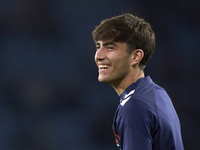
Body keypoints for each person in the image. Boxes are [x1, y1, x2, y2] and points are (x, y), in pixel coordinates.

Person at [92, 13, 184, 150]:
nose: (98, 56)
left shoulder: (134, 107)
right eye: (98, 46)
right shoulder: (156, 93)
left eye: (110, 48)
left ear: (136, 56)